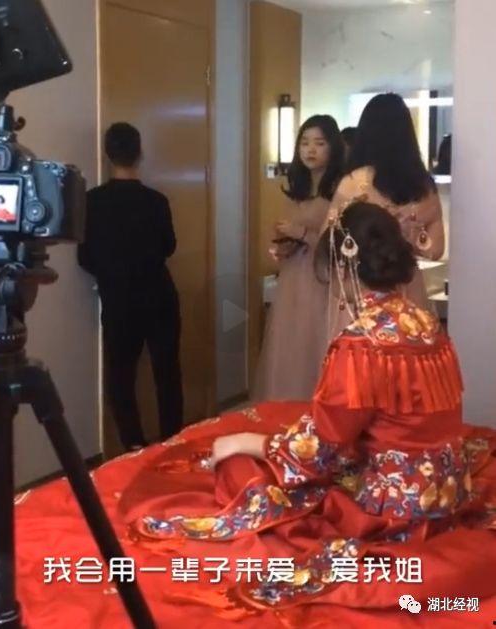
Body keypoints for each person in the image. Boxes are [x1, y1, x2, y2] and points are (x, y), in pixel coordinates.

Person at [109, 202, 496, 624]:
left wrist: (251, 442)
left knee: (242, 468)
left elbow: (320, 451)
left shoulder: (361, 343)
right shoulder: (426, 323)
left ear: (344, 266)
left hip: (390, 509)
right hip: (445, 489)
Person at [78, 122, 183, 450]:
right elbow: (169, 246)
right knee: (167, 372)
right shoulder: (156, 201)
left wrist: (111, 271)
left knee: (121, 376)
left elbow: (84, 257)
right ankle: (173, 441)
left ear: (107, 155)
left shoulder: (91, 202)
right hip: (159, 295)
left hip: (118, 299)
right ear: (140, 154)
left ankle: (134, 445)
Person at [326, 93, 445, 320]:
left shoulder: (353, 183)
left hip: (364, 286)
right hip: (406, 285)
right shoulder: (422, 185)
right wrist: (409, 235)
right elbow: (435, 249)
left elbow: (330, 242)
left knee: (364, 342)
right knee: (407, 339)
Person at [253, 115, 345, 401]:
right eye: (304, 143)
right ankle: (286, 411)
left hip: (322, 279)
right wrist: (284, 246)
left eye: (319, 143)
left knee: (315, 342)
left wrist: (301, 233)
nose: (310, 150)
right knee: (289, 344)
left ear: (333, 147)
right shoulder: (297, 189)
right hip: (293, 275)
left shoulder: (341, 190)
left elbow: (338, 244)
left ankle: (318, 411)